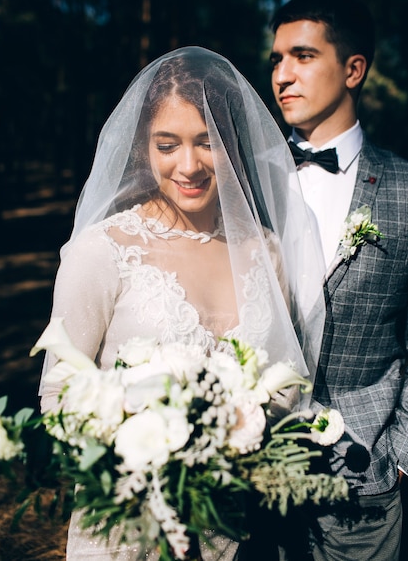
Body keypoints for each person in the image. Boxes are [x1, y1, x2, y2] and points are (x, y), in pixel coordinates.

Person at [38, 46, 326, 560]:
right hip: (129, 532)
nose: (188, 165)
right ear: (142, 149)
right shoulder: (104, 251)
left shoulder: (265, 252)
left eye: (206, 143)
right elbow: (59, 396)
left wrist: (241, 439)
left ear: (231, 145)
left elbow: (287, 380)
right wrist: (146, 449)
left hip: (239, 531)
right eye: (166, 144)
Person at [269, 0, 408, 560]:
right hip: (250, 482)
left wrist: (401, 452)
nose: (282, 75)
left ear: (354, 69)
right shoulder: (245, 185)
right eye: (276, 60)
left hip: (365, 486)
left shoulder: (402, 189)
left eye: (302, 56)